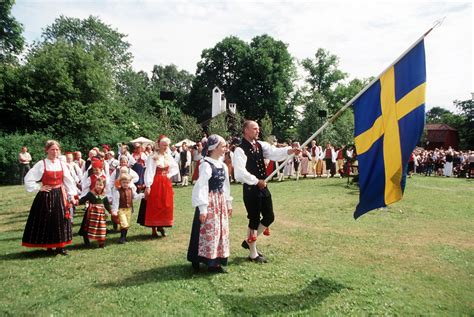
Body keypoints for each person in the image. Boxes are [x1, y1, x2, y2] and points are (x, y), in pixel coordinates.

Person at [234, 120, 299, 263]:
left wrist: (290, 151)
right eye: (254, 128)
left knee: (269, 216)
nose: (258, 131)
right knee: (254, 219)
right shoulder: (239, 150)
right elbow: (239, 173)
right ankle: (253, 253)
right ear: (245, 130)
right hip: (251, 188)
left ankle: (248, 241)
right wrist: (256, 181)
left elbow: (275, 153)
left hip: (263, 187)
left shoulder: (261, 145)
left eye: (258, 128)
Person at [22, 140, 77, 255]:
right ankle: (49, 246)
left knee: (61, 220)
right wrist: (39, 187)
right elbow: (28, 178)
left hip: (60, 195)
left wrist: (71, 195)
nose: (55, 151)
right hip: (46, 196)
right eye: (52, 149)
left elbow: (68, 180)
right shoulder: (41, 164)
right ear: (47, 150)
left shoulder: (62, 164)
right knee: (47, 220)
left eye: (57, 149)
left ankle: (60, 247)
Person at [187, 135, 233, 273]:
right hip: (209, 201)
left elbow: (226, 186)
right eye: (223, 146)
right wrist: (202, 208)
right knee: (208, 230)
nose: (225, 148)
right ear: (214, 148)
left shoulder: (223, 165)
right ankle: (201, 259)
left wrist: (228, 203)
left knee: (219, 230)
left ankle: (216, 261)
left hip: (220, 201)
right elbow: (201, 186)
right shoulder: (206, 165)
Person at [137, 135, 179, 237]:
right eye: (164, 145)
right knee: (155, 203)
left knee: (165, 203)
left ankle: (162, 225)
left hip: (166, 183)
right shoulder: (153, 156)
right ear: (159, 145)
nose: (166, 147)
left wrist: (168, 175)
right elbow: (150, 171)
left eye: (167, 145)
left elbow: (175, 167)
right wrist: (148, 185)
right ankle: (154, 229)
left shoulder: (168, 156)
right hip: (156, 181)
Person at [111, 173, 144, 244]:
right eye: (123, 182)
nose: (125, 184)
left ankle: (123, 237)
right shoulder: (118, 191)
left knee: (127, 224)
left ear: (130, 183)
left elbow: (135, 197)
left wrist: (142, 195)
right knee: (124, 223)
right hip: (121, 210)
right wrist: (114, 210)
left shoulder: (131, 190)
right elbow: (116, 202)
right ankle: (122, 238)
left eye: (127, 183)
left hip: (129, 210)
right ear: (120, 183)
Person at [78, 178, 111, 248]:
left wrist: (111, 211)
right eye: (97, 184)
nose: (98, 186)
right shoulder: (91, 193)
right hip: (91, 214)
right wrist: (77, 201)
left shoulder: (104, 195)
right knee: (87, 227)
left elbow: (107, 204)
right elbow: (84, 199)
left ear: (103, 186)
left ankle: (101, 243)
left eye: (100, 185)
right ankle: (86, 242)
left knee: (101, 228)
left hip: (100, 215)